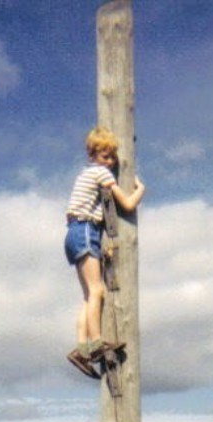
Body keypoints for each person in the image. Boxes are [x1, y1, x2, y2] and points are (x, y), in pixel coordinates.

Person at [64, 126, 145, 379]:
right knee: (98, 290)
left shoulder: (85, 173)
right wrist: (140, 187)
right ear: (93, 155)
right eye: (104, 156)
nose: (109, 162)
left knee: (90, 295)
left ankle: (82, 348)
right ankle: (97, 343)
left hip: (73, 233)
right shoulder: (100, 174)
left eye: (111, 157)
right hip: (85, 230)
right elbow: (128, 203)